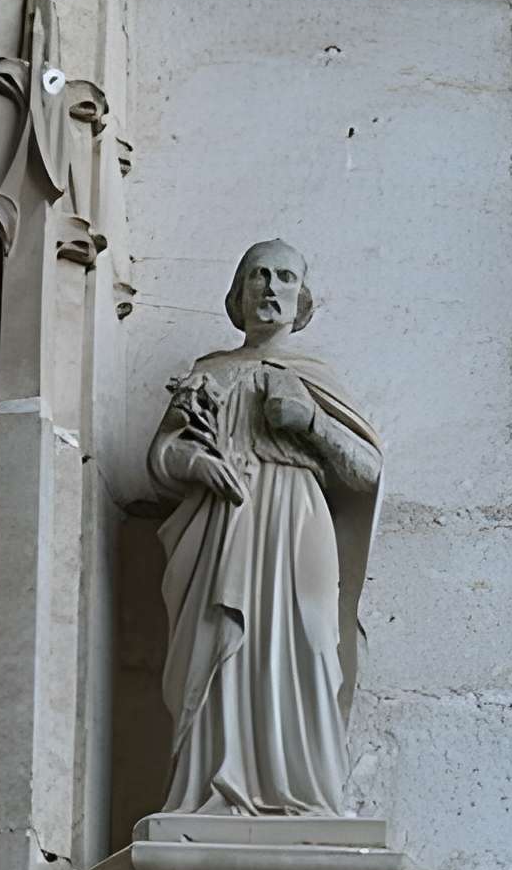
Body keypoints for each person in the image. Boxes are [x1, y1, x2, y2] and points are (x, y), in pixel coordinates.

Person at [147, 238, 381, 816]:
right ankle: (214, 788)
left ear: (302, 300)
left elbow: (367, 471)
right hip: (223, 525)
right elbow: (162, 457)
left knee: (308, 643)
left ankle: (307, 792)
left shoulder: (315, 378)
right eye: (258, 276)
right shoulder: (207, 374)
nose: (271, 288)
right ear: (239, 294)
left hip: (297, 518)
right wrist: (195, 462)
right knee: (218, 644)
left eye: (284, 277)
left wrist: (311, 422)